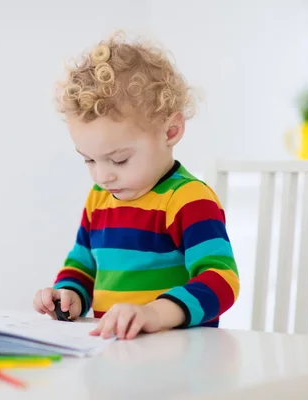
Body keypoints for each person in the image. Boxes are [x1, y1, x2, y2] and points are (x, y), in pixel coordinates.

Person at [32, 32, 239, 340]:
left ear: (170, 131)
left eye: (118, 160)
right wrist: (68, 294)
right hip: (118, 353)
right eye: (89, 160)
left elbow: (221, 281)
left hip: (180, 354)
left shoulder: (188, 199)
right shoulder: (100, 199)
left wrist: (155, 313)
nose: (102, 176)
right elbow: (83, 263)